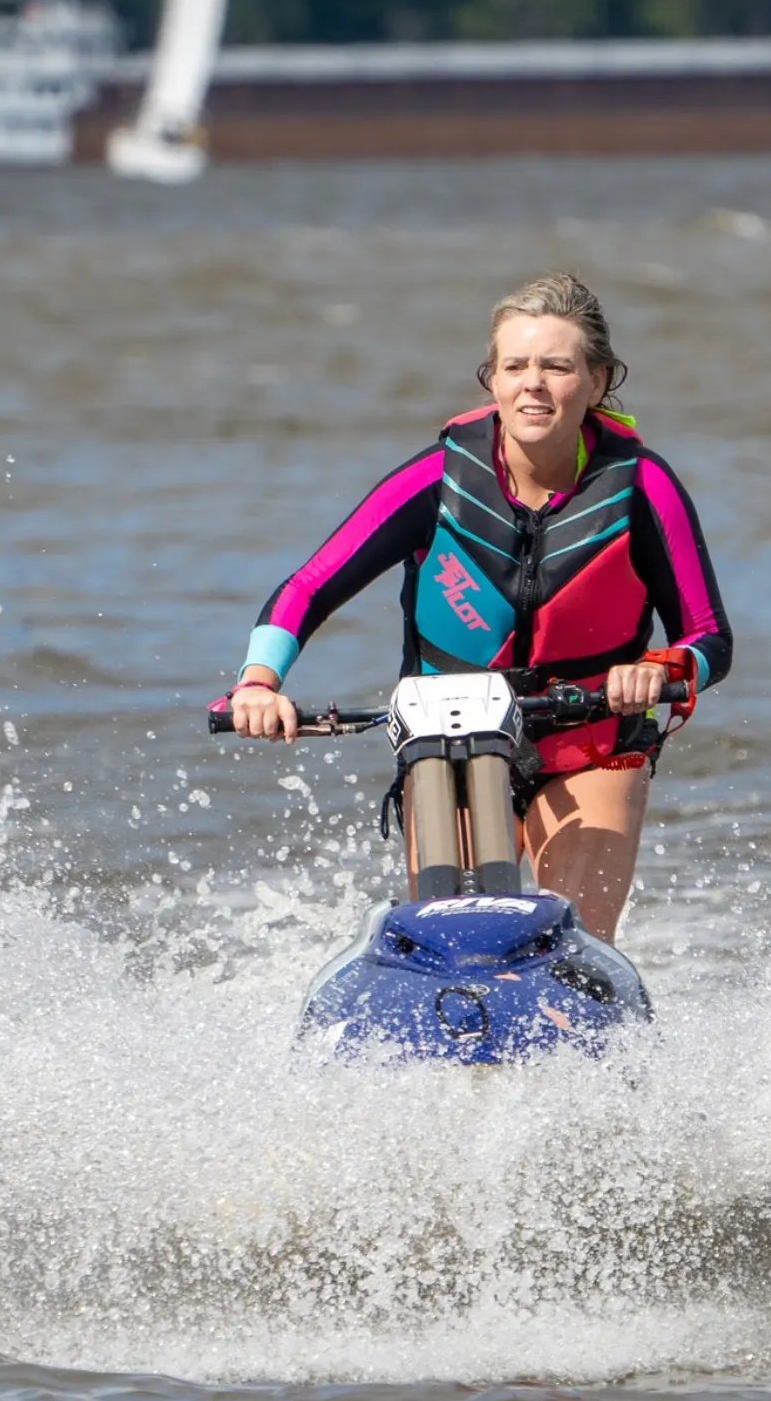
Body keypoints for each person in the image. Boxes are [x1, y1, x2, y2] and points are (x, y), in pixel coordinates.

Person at [230, 270, 731, 942]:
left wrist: (663, 667)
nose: (533, 383)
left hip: (591, 743)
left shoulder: (643, 487)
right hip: (451, 741)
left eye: (557, 366)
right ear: (491, 380)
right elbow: (309, 587)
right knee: (458, 943)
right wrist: (260, 681)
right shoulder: (435, 480)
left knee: (570, 940)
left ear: (599, 382)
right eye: (515, 365)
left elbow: (709, 635)